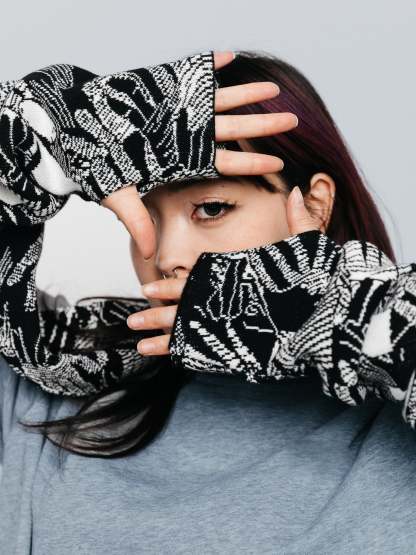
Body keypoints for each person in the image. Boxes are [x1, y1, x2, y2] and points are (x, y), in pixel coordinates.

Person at [1, 49, 415, 554]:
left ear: (315, 205)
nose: (167, 256)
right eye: (143, 218)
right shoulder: (55, 377)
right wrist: (33, 133)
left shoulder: (390, 426)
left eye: (212, 208)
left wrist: (329, 304)